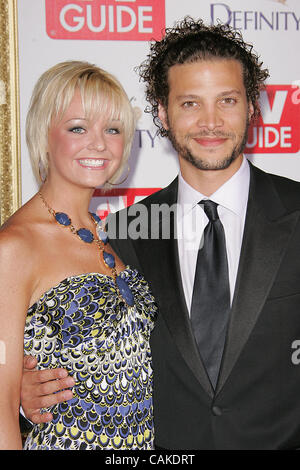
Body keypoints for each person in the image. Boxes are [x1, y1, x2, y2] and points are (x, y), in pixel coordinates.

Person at [22, 18, 300, 450]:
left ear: (251, 107)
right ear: (162, 112)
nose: (211, 122)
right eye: (190, 103)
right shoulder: (118, 235)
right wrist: (25, 393)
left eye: (226, 100)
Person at [0, 60, 157, 450]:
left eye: (113, 129)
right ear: (45, 134)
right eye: (78, 128)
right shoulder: (15, 247)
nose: (99, 143)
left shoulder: (109, 238)